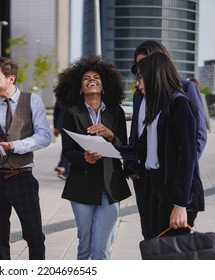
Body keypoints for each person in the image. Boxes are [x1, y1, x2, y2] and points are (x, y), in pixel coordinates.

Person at [124, 40, 208, 240]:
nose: (137, 83)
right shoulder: (157, 106)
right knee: (155, 246)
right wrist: (109, 147)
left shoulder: (179, 104)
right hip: (155, 186)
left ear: (155, 75)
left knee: (170, 254)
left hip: (174, 191)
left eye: (141, 77)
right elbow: (141, 147)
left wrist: (180, 205)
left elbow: (186, 158)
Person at [0, 57, 52, 260]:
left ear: (11, 78)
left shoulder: (32, 100)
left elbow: (44, 136)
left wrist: (15, 146)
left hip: (22, 177)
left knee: (34, 236)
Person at [54, 54, 131, 260]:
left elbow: (126, 148)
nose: (91, 80)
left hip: (110, 185)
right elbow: (68, 151)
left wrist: (111, 135)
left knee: (101, 251)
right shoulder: (71, 113)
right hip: (81, 185)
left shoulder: (116, 112)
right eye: (86, 78)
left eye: (96, 77)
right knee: (85, 247)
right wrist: (84, 158)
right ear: (80, 87)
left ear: (104, 85)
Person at [53, 101, 70, 180]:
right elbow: (57, 110)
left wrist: (56, 126)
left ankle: (62, 166)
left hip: (63, 125)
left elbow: (56, 111)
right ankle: (63, 168)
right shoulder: (65, 94)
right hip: (67, 125)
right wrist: (56, 127)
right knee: (69, 147)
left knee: (67, 146)